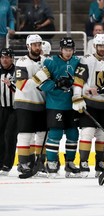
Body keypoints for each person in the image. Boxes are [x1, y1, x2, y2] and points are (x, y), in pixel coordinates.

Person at [72, 34, 104, 178]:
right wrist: (77, 97)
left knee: (101, 137)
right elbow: (78, 81)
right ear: (95, 46)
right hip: (89, 103)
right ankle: (83, 162)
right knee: (87, 133)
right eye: (100, 46)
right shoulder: (86, 60)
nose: (102, 49)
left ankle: (100, 162)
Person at [32, 37, 80, 178]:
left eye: (70, 49)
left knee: (73, 134)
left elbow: (82, 80)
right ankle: (51, 163)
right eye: (65, 49)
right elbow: (38, 82)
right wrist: (56, 84)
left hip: (72, 104)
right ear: (60, 49)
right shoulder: (50, 62)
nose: (68, 52)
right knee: (56, 134)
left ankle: (70, 164)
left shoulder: (77, 61)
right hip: (55, 104)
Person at [14, 34, 47, 176]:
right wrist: (41, 76)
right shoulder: (22, 62)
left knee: (41, 134)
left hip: (42, 103)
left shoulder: (46, 61)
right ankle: (24, 163)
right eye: (34, 45)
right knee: (25, 134)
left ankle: (39, 163)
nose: (37, 47)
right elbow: (23, 86)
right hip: (24, 104)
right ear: (28, 46)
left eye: (39, 44)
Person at [0, 48, 17, 176]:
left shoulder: (17, 71)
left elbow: (22, 89)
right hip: (1, 108)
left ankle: (7, 164)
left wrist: (10, 85)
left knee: (9, 136)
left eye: (7, 57)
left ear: (11, 58)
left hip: (13, 109)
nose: (5, 59)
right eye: (2, 57)